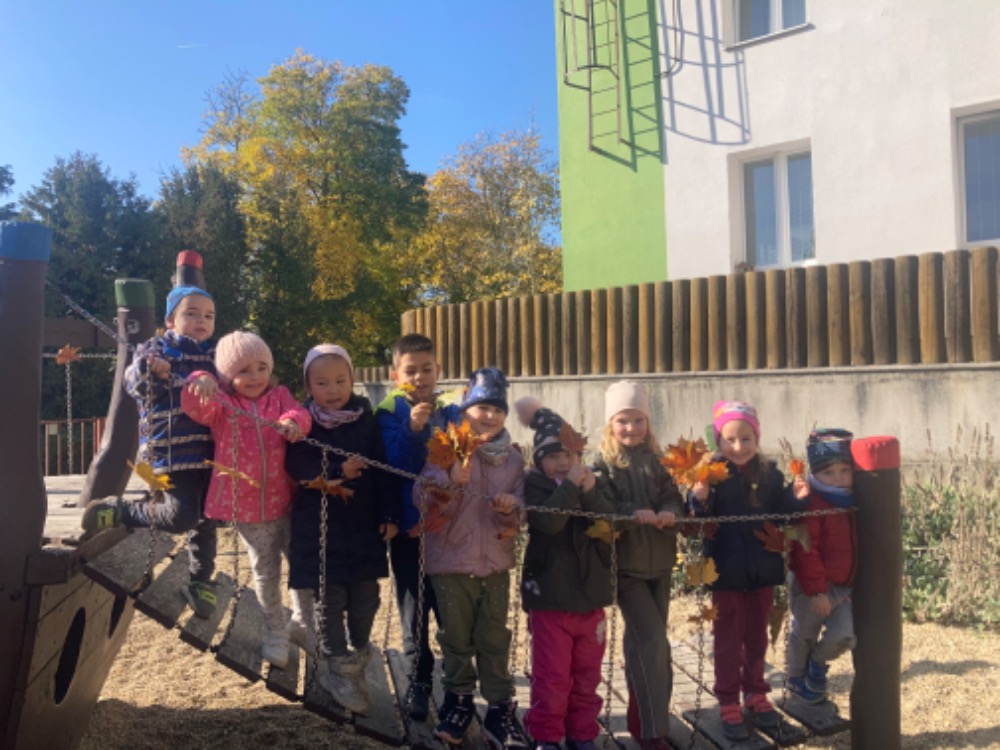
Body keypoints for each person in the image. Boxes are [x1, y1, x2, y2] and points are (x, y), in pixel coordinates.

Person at [81, 285, 219, 619]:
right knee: (182, 516)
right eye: (191, 313)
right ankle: (122, 511)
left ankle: (200, 579)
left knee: (208, 518)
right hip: (171, 452)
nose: (201, 320)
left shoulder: (216, 355)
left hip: (210, 452)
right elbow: (134, 384)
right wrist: (150, 369)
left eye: (209, 315)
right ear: (170, 321)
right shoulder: (158, 348)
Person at [182, 331, 312, 669]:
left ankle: (302, 623)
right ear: (227, 376)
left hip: (286, 500)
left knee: (301, 564)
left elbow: (301, 414)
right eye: (243, 370)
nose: (254, 376)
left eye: (261, 368)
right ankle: (276, 632)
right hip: (248, 507)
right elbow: (196, 406)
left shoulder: (280, 397)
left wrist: (293, 422)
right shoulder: (223, 406)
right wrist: (200, 379)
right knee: (265, 571)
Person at [415, 366, 528, 749]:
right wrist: (449, 479)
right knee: (456, 637)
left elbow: (522, 508)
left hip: (495, 563)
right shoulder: (445, 448)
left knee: (494, 637)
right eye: (482, 408)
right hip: (450, 563)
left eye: (498, 409)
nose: (490, 415)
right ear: (465, 411)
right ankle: (458, 701)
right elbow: (421, 494)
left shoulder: (513, 460)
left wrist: (511, 507)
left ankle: (499, 706)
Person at [285, 344, 400, 715]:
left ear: (352, 379)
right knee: (329, 599)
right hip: (320, 526)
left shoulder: (366, 419)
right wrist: (337, 472)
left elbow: (383, 469)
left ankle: (359, 651)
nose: (332, 389)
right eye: (322, 383)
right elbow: (298, 465)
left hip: (363, 523)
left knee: (367, 596)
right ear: (308, 386)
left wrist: (390, 513)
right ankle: (337, 665)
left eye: (340, 380)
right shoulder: (303, 422)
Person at [690, 400, 807, 742]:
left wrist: (795, 498)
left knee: (757, 637)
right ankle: (728, 699)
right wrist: (699, 496)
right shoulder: (711, 474)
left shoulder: (770, 475)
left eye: (746, 438)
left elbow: (783, 515)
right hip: (725, 572)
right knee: (728, 640)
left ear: (757, 439)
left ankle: (756, 692)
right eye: (730, 439)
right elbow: (698, 518)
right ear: (718, 440)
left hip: (762, 570)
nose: (738, 447)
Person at [516, 397, 615, 750]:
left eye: (570, 455)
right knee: (553, 675)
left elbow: (609, 519)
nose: (563, 463)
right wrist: (571, 487)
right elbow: (548, 523)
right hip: (550, 598)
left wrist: (588, 490)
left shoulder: (593, 482)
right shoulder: (535, 485)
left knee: (587, 675)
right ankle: (546, 735)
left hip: (590, 596)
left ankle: (582, 733)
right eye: (554, 456)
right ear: (539, 459)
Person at [592, 380, 683, 750]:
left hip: (660, 564)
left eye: (638, 420)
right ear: (610, 424)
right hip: (626, 568)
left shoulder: (660, 462)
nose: (631, 428)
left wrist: (670, 513)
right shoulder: (603, 464)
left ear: (648, 422)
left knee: (650, 646)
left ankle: (647, 718)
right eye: (622, 420)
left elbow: (674, 498)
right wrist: (633, 514)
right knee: (651, 642)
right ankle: (649, 731)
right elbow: (602, 505)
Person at [375, 333, 462, 721]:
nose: (420, 377)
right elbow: (395, 465)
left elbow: (466, 453)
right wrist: (412, 430)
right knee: (414, 607)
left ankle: (457, 684)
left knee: (450, 610)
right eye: (411, 371)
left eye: (427, 369)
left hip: (447, 530)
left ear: (438, 371)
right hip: (409, 529)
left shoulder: (451, 411)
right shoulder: (389, 412)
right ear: (396, 375)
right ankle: (418, 679)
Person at [785, 428, 858, 703]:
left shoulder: (856, 500)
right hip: (813, 585)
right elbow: (805, 550)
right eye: (829, 472)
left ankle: (817, 664)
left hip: (844, 586)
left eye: (844, 470)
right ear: (815, 474)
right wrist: (816, 590)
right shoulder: (813, 503)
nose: (838, 477)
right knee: (804, 634)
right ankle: (795, 677)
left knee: (845, 635)